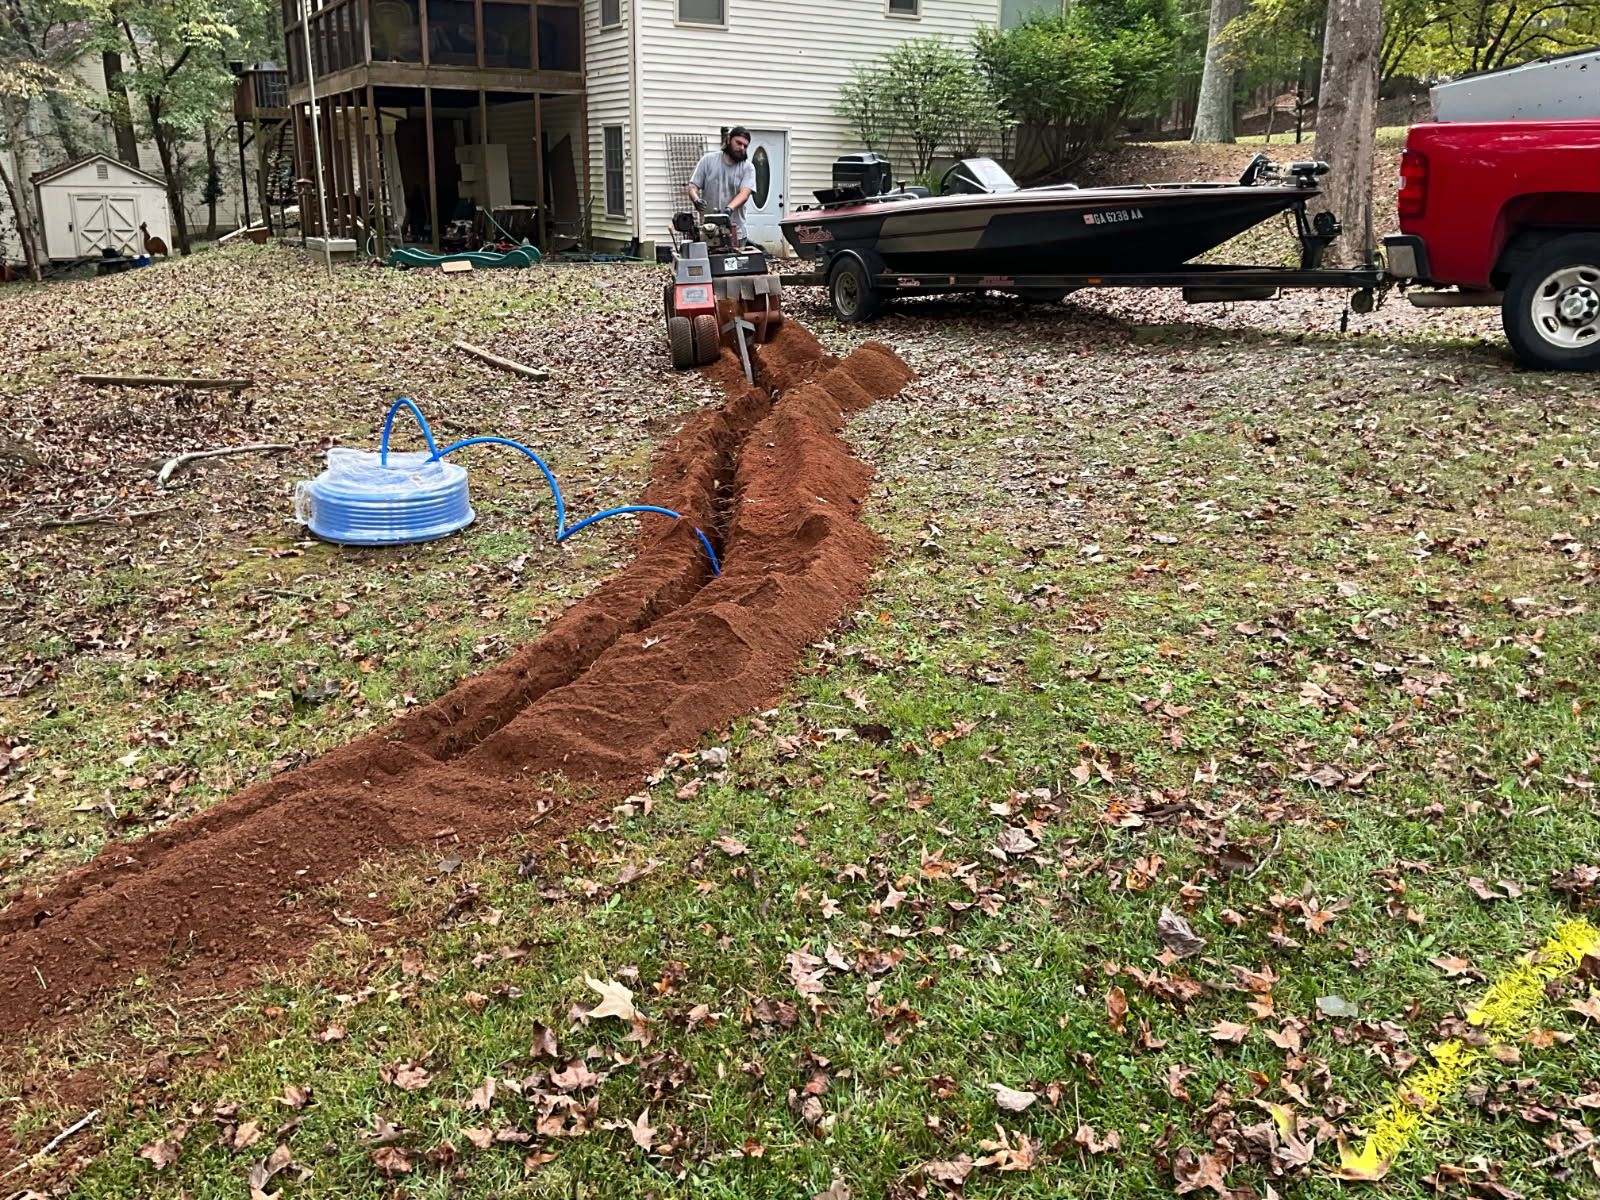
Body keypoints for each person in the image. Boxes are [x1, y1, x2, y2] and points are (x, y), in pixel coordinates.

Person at [687, 126, 756, 246]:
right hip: (708, 231)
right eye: (738, 143)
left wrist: (729, 209)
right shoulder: (708, 160)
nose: (741, 148)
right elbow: (692, 186)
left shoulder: (747, 168)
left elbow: (744, 194)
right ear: (728, 139)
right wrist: (696, 200)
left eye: (745, 146)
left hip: (736, 232)